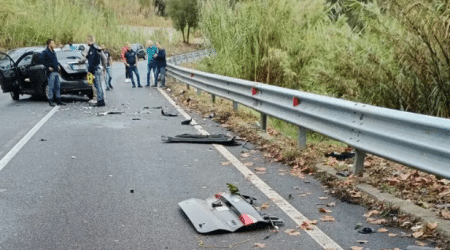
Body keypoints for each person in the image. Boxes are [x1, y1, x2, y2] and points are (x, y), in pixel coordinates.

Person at [79, 35, 105, 107]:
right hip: (95, 69)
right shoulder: (91, 49)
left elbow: (94, 61)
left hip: (96, 69)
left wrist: (92, 71)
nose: (86, 42)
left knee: (98, 86)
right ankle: (101, 100)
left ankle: (100, 101)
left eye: (87, 40)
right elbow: (87, 58)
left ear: (90, 40)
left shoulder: (95, 49)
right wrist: (80, 60)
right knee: (97, 85)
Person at [40, 39, 65, 106]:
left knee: (57, 86)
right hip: (51, 72)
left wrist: (58, 66)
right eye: (53, 43)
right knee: (51, 86)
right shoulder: (45, 52)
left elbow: (55, 60)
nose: (54, 44)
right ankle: (50, 100)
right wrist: (48, 67)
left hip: (56, 71)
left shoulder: (53, 52)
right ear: (49, 44)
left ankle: (58, 100)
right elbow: (42, 60)